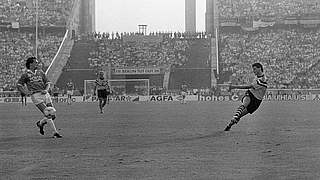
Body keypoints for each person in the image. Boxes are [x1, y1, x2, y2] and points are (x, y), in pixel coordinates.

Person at [17, 57, 62, 138]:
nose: (37, 64)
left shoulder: (40, 72)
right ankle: (55, 132)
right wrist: (26, 92)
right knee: (48, 113)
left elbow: (48, 82)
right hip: (36, 96)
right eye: (36, 62)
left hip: (45, 94)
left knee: (53, 115)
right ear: (31, 64)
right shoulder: (25, 74)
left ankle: (40, 123)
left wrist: (46, 90)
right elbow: (19, 85)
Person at [224, 63, 268, 131]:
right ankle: (234, 117)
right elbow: (250, 87)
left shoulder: (263, 79)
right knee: (244, 104)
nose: (253, 71)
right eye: (253, 69)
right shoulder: (257, 77)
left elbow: (248, 86)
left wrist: (234, 87)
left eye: (255, 69)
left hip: (257, 101)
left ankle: (230, 125)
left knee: (240, 115)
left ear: (259, 68)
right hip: (250, 94)